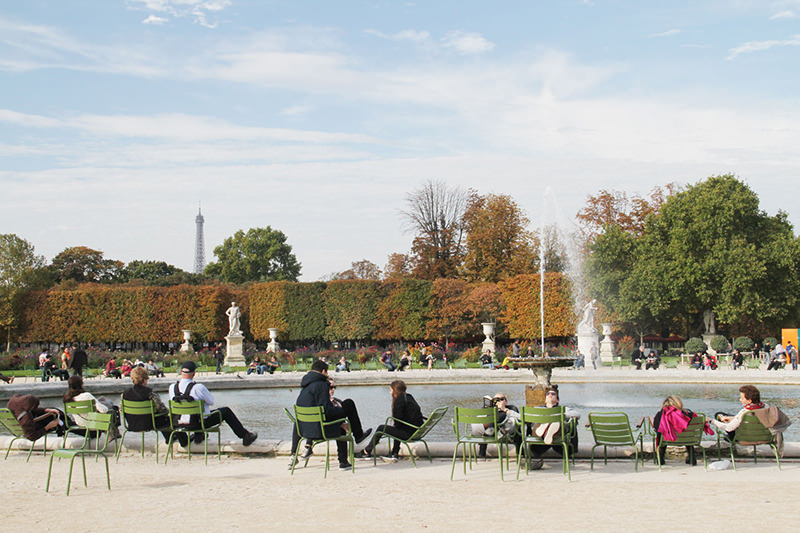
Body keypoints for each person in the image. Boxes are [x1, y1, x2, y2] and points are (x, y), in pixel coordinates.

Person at [290, 360, 371, 470]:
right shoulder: (322, 385)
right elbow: (326, 410)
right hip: (320, 431)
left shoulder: (306, 386)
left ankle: (351, 449)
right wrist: (341, 412)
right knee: (348, 404)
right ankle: (355, 442)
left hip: (305, 430)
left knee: (340, 420)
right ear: (323, 371)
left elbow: (320, 410)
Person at [169, 361, 257, 446]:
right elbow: (211, 402)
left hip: (180, 423)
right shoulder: (198, 387)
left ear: (181, 372)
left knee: (193, 413)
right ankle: (245, 435)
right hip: (199, 423)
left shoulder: (172, 387)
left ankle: (197, 436)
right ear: (194, 373)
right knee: (226, 411)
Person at [358, 380, 423, 462]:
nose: (390, 393)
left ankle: (366, 451)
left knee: (381, 428)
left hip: (408, 433)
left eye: (391, 390)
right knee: (396, 428)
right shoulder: (409, 397)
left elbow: (397, 421)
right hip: (416, 430)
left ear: (395, 391)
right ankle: (394, 452)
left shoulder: (399, 401)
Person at [526, 385, 580, 469]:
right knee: (541, 422)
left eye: (553, 394)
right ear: (545, 399)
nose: (550, 395)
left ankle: (548, 427)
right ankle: (546, 427)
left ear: (557, 400)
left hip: (557, 433)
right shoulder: (538, 408)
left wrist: (561, 415)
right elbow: (526, 417)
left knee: (557, 422)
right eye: (548, 394)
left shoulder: (563, 409)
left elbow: (577, 414)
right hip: (538, 432)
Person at [652, 395, 710, 466]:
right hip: (687, 439)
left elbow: (656, 427)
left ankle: (660, 458)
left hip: (667, 440)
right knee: (688, 433)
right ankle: (692, 457)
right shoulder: (688, 415)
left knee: (662, 433)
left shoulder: (660, 415)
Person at [122, 366, 172, 442]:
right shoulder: (150, 393)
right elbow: (162, 409)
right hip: (148, 424)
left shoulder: (125, 394)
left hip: (132, 424)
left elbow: (121, 409)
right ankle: (172, 439)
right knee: (167, 419)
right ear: (144, 380)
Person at [472, 392, 521, 459]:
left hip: (505, 434)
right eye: (495, 400)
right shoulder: (489, 411)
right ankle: (487, 435)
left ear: (506, 402)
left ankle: (485, 440)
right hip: (486, 432)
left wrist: (505, 410)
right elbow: (476, 422)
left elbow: (521, 418)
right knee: (498, 416)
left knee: (502, 415)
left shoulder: (511, 409)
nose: (499, 402)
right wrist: (486, 409)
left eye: (501, 399)